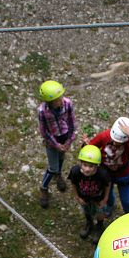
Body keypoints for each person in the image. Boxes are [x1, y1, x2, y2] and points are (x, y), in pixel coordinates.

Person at [82, 117, 129, 216]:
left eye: (119, 142)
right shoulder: (104, 136)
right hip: (106, 173)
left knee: (127, 200)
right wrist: (86, 146)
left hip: (123, 173)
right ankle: (110, 206)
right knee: (107, 194)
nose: (116, 143)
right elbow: (92, 147)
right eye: (114, 140)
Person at [37, 80, 77, 209]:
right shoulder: (43, 111)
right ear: (49, 102)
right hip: (52, 141)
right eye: (56, 100)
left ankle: (58, 175)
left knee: (61, 159)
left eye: (60, 98)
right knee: (52, 167)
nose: (60, 101)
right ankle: (44, 187)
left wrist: (68, 141)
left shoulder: (68, 104)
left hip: (64, 137)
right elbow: (44, 131)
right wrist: (55, 144)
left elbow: (72, 123)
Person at [67, 145, 111, 243]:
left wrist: (105, 198)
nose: (87, 169)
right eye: (85, 165)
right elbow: (73, 183)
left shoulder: (102, 174)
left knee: (100, 212)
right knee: (86, 210)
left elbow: (107, 185)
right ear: (81, 163)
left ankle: (99, 226)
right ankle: (89, 223)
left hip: (98, 198)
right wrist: (77, 197)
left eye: (91, 166)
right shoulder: (75, 172)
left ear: (97, 166)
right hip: (84, 197)